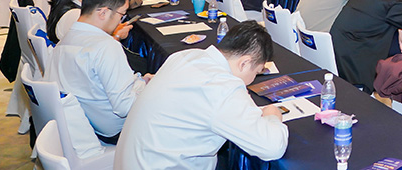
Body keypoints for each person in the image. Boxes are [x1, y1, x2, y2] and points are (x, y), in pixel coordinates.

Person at [116, 21, 288, 169]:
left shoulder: (186, 55)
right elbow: (272, 148)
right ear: (244, 63)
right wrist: (272, 116)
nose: (252, 80)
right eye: (257, 72)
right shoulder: (222, 87)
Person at [46, 0, 150, 142]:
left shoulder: (65, 40)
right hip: (112, 130)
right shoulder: (105, 46)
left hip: (83, 122)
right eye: (121, 15)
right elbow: (124, 107)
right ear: (103, 12)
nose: (120, 21)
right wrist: (150, 89)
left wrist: (141, 82)